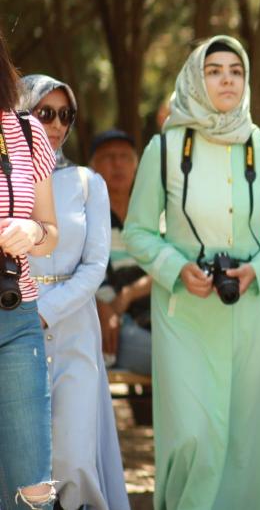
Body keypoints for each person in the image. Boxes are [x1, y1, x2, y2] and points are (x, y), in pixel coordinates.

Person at [123, 35, 260, 509]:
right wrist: (176, 267)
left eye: (235, 71)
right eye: (214, 71)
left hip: (252, 312)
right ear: (195, 79)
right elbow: (138, 232)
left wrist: (258, 269)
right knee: (195, 436)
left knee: (253, 439)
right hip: (184, 313)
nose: (227, 79)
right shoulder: (164, 149)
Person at [19, 76, 129, 510]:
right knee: (24, 453)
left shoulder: (87, 182)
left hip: (76, 329)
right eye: (45, 112)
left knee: (74, 454)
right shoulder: (8, 180)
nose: (57, 125)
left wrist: (46, 310)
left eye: (66, 115)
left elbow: (96, 266)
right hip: (15, 326)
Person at [0, 33, 60, 510]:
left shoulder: (26, 131)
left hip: (16, 314)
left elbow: (51, 231)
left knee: (32, 488)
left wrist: (32, 231)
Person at [91, 129, 153, 376]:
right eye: (108, 157)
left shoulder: (153, 215)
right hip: (115, 324)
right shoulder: (86, 218)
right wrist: (100, 305)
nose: (117, 163)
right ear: (93, 168)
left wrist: (129, 293)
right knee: (172, 360)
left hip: (159, 316)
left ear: (136, 166)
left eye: (125, 156)